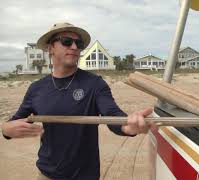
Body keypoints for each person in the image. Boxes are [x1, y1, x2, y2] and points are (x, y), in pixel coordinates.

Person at [1, 22, 155, 180]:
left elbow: (112, 114)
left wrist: (127, 126)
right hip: (47, 174)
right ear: (50, 48)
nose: (74, 46)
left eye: (78, 43)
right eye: (66, 41)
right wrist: (6, 129)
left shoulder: (95, 83)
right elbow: (15, 121)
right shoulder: (36, 88)